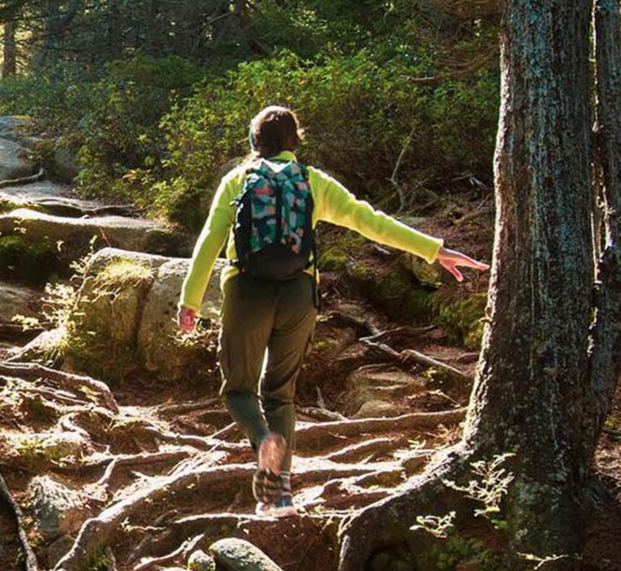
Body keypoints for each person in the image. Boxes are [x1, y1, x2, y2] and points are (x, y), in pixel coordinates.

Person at [176, 105, 488, 516]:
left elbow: (208, 244)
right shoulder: (313, 182)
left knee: (238, 389)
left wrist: (189, 301)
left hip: (246, 293)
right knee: (280, 393)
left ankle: (262, 440)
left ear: (254, 143)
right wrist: (433, 249)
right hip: (299, 296)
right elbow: (370, 221)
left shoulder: (237, 180)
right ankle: (281, 496)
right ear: (295, 142)